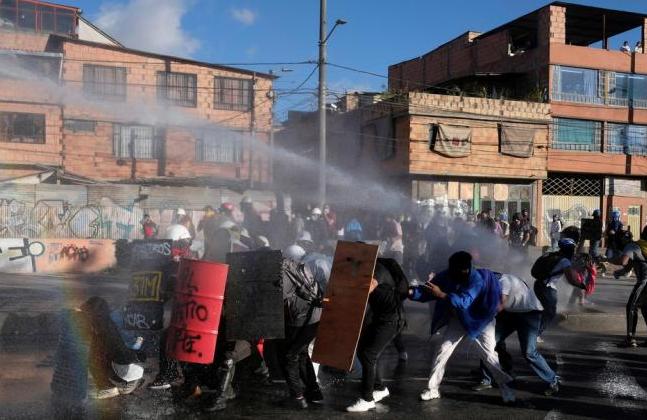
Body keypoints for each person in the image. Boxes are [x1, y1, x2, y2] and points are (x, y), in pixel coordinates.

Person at [409, 251, 516, 403]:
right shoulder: (447, 275)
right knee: (442, 351)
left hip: (481, 322)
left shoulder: (476, 279)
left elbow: (463, 302)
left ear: (465, 269)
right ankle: (432, 389)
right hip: (458, 320)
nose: (452, 273)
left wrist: (442, 295)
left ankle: (506, 388)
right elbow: (429, 290)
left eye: (458, 270)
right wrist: (411, 292)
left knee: (489, 357)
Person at [473, 273, 560, 396]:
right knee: (489, 344)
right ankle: (490, 378)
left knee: (529, 352)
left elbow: (501, 304)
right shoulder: (490, 283)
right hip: (510, 313)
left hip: (530, 314)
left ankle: (552, 380)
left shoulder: (504, 280)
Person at [346, 259, 407, 412]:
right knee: (362, 350)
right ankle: (379, 388)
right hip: (382, 317)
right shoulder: (369, 267)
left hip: (391, 320)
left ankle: (367, 399)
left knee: (368, 354)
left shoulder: (376, 269)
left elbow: (370, 285)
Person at [279, 252, 324, 409]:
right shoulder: (299, 266)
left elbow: (280, 298)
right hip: (315, 316)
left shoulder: (281, 271)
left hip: (300, 319)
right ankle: (314, 392)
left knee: (289, 356)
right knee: (302, 354)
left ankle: (297, 398)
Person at [79, 297, 145, 399]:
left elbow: (102, 357)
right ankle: (124, 383)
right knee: (99, 359)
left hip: (128, 373)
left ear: (95, 314)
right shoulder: (109, 323)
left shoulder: (103, 330)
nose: (86, 317)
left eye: (88, 313)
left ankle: (107, 387)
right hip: (132, 369)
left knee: (94, 361)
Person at [532, 238, 587, 339]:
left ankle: (533, 330)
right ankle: (535, 334)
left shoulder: (550, 255)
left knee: (544, 309)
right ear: (569, 249)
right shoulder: (564, 261)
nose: (573, 250)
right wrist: (582, 286)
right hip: (547, 288)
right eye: (572, 248)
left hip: (538, 284)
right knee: (550, 312)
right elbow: (571, 280)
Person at [608, 225, 647, 348]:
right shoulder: (643, 248)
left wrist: (607, 259)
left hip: (644, 283)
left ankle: (630, 338)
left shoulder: (633, 246)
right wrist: (618, 273)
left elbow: (623, 261)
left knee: (631, 307)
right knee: (646, 309)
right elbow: (628, 268)